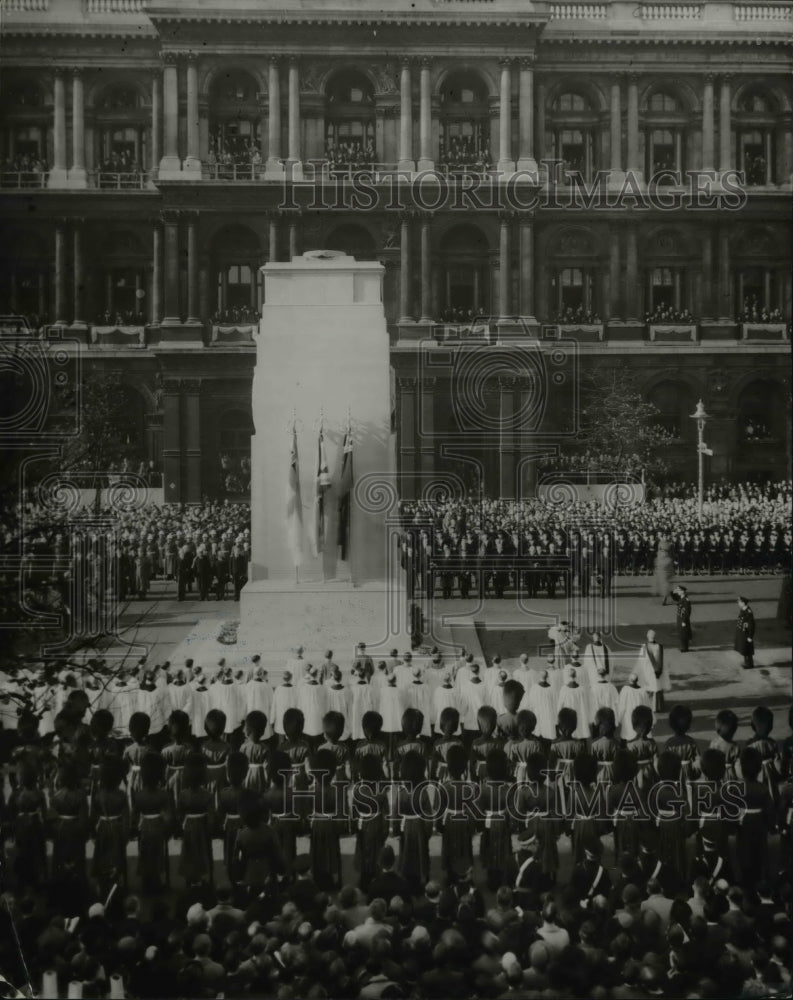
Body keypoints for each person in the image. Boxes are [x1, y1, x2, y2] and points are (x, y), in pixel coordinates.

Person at [635, 629, 669, 712]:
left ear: (648, 636)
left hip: (648, 671)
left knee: (648, 688)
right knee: (657, 688)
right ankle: (657, 707)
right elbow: (662, 661)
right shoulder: (659, 646)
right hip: (658, 671)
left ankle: (648, 705)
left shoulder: (644, 647)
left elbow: (641, 660)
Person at [735, 595, 756, 669]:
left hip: (746, 634)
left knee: (747, 649)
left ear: (743, 603)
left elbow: (752, 625)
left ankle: (749, 664)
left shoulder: (748, 612)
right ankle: (747, 663)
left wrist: (750, 636)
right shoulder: (743, 609)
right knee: (744, 649)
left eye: (739, 602)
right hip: (743, 633)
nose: (738, 604)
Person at [653, 534, 674, 603]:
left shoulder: (670, 544)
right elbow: (657, 552)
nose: (664, 538)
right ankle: (664, 596)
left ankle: (665, 597)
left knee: (665, 581)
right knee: (662, 581)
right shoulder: (659, 543)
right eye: (663, 537)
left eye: (666, 536)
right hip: (660, 562)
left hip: (667, 563)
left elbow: (672, 553)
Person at [673, 585, 693, 652]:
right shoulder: (681, 598)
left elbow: (687, 612)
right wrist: (673, 591)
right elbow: (674, 597)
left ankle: (685, 648)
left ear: (682, 592)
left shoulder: (686, 600)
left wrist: (684, 621)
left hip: (683, 619)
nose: (677, 592)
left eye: (679, 590)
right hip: (679, 618)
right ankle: (683, 647)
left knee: (684, 634)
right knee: (681, 633)